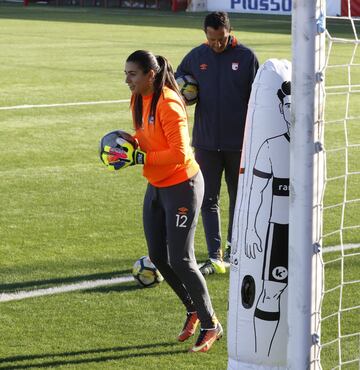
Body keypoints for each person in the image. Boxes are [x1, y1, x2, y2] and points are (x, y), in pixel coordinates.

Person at [122, 50, 223, 352]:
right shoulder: (138, 98)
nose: (127, 79)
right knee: (158, 254)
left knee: (181, 258)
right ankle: (192, 309)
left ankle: (210, 324)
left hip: (183, 186)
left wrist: (140, 156)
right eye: (126, 73)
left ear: (149, 75)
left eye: (132, 74)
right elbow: (147, 136)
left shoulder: (169, 103)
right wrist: (128, 144)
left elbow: (179, 152)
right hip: (157, 184)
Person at [176, 11, 259, 276]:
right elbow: (178, 88)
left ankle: (236, 249)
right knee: (208, 198)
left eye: (221, 39)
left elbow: (259, 100)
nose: (217, 44)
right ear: (206, 35)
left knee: (239, 197)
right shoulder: (195, 57)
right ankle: (215, 256)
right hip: (206, 142)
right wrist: (186, 96)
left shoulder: (246, 58)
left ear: (229, 31)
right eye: (212, 40)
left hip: (239, 143)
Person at [245, 81, 291, 356]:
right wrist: (251, 229)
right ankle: (262, 357)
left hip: (309, 230)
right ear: (280, 108)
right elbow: (256, 191)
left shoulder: (315, 147)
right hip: (281, 231)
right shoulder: (270, 147)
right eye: (287, 106)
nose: (292, 112)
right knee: (271, 292)